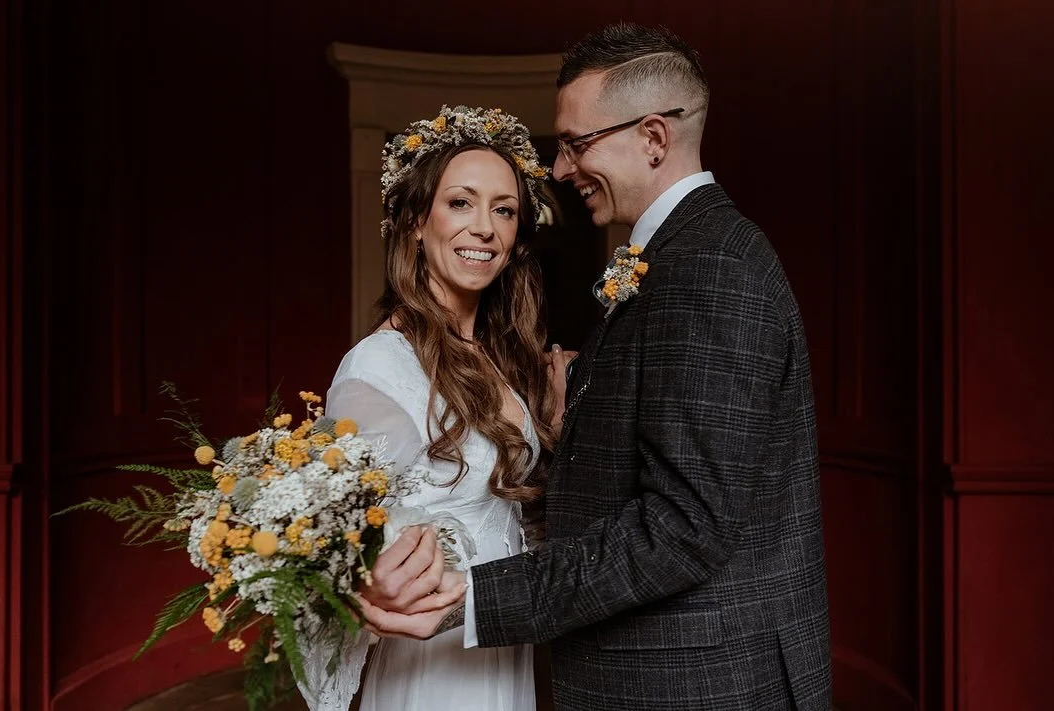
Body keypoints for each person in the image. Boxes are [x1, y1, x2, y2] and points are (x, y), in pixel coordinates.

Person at [358, 22, 833, 711]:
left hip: (700, 686)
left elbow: (682, 528)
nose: (559, 169)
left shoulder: (708, 267)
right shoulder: (678, 256)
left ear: (653, 137)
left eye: (577, 145)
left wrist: (479, 598)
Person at [298, 104, 558, 710]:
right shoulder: (380, 367)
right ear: (417, 220)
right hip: (433, 667)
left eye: (504, 209)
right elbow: (339, 547)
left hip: (499, 643)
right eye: (461, 203)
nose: (485, 228)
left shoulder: (499, 356)